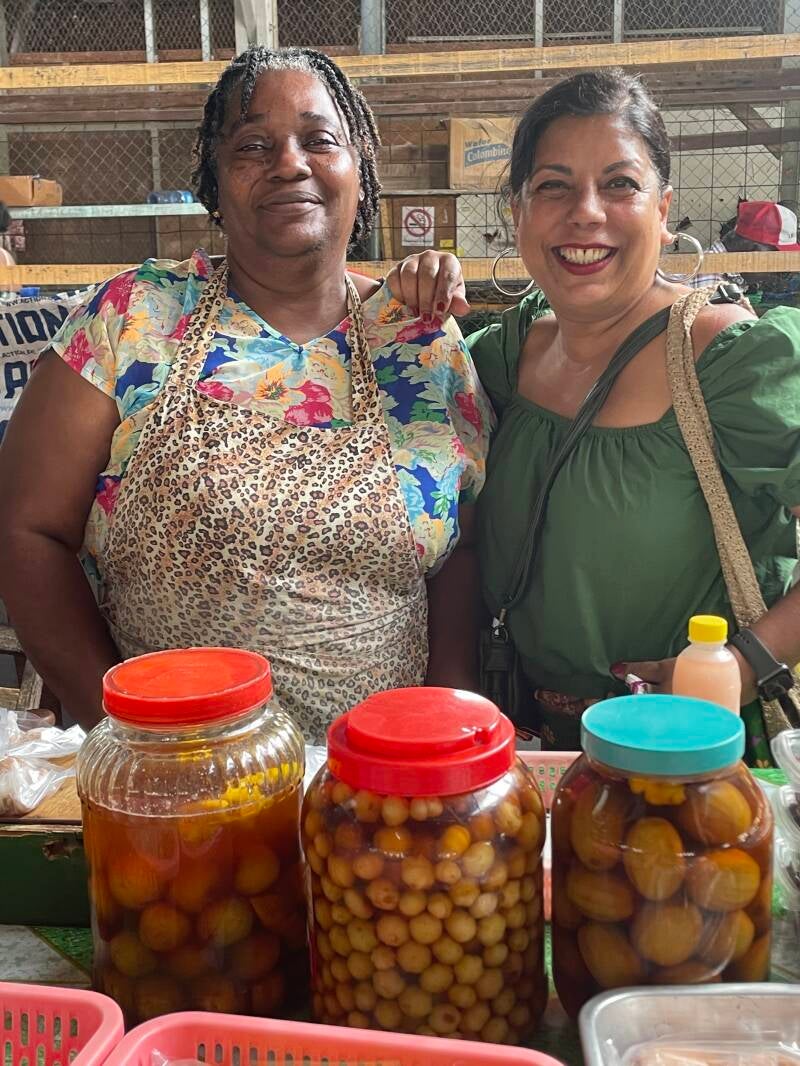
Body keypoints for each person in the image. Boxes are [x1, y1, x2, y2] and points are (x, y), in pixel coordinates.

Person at [0, 47, 493, 742]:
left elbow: (460, 551)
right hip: (171, 772)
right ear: (215, 181)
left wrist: (439, 733)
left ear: (361, 170)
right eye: (254, 146)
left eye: (319, 140)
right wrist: (126, 732)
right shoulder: (134, 318)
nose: (289, 164)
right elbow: (26, 530)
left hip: (374, 781)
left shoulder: (423, 346)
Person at [388, 69, 800, 762]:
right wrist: (406, 295)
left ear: (663, 210)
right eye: (554, 186)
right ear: (517, 213)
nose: (585, 212)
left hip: (693, 755)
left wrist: (743, 661)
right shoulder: (503, 359)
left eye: (619, 184)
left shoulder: (732, 362)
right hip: (531, 747)